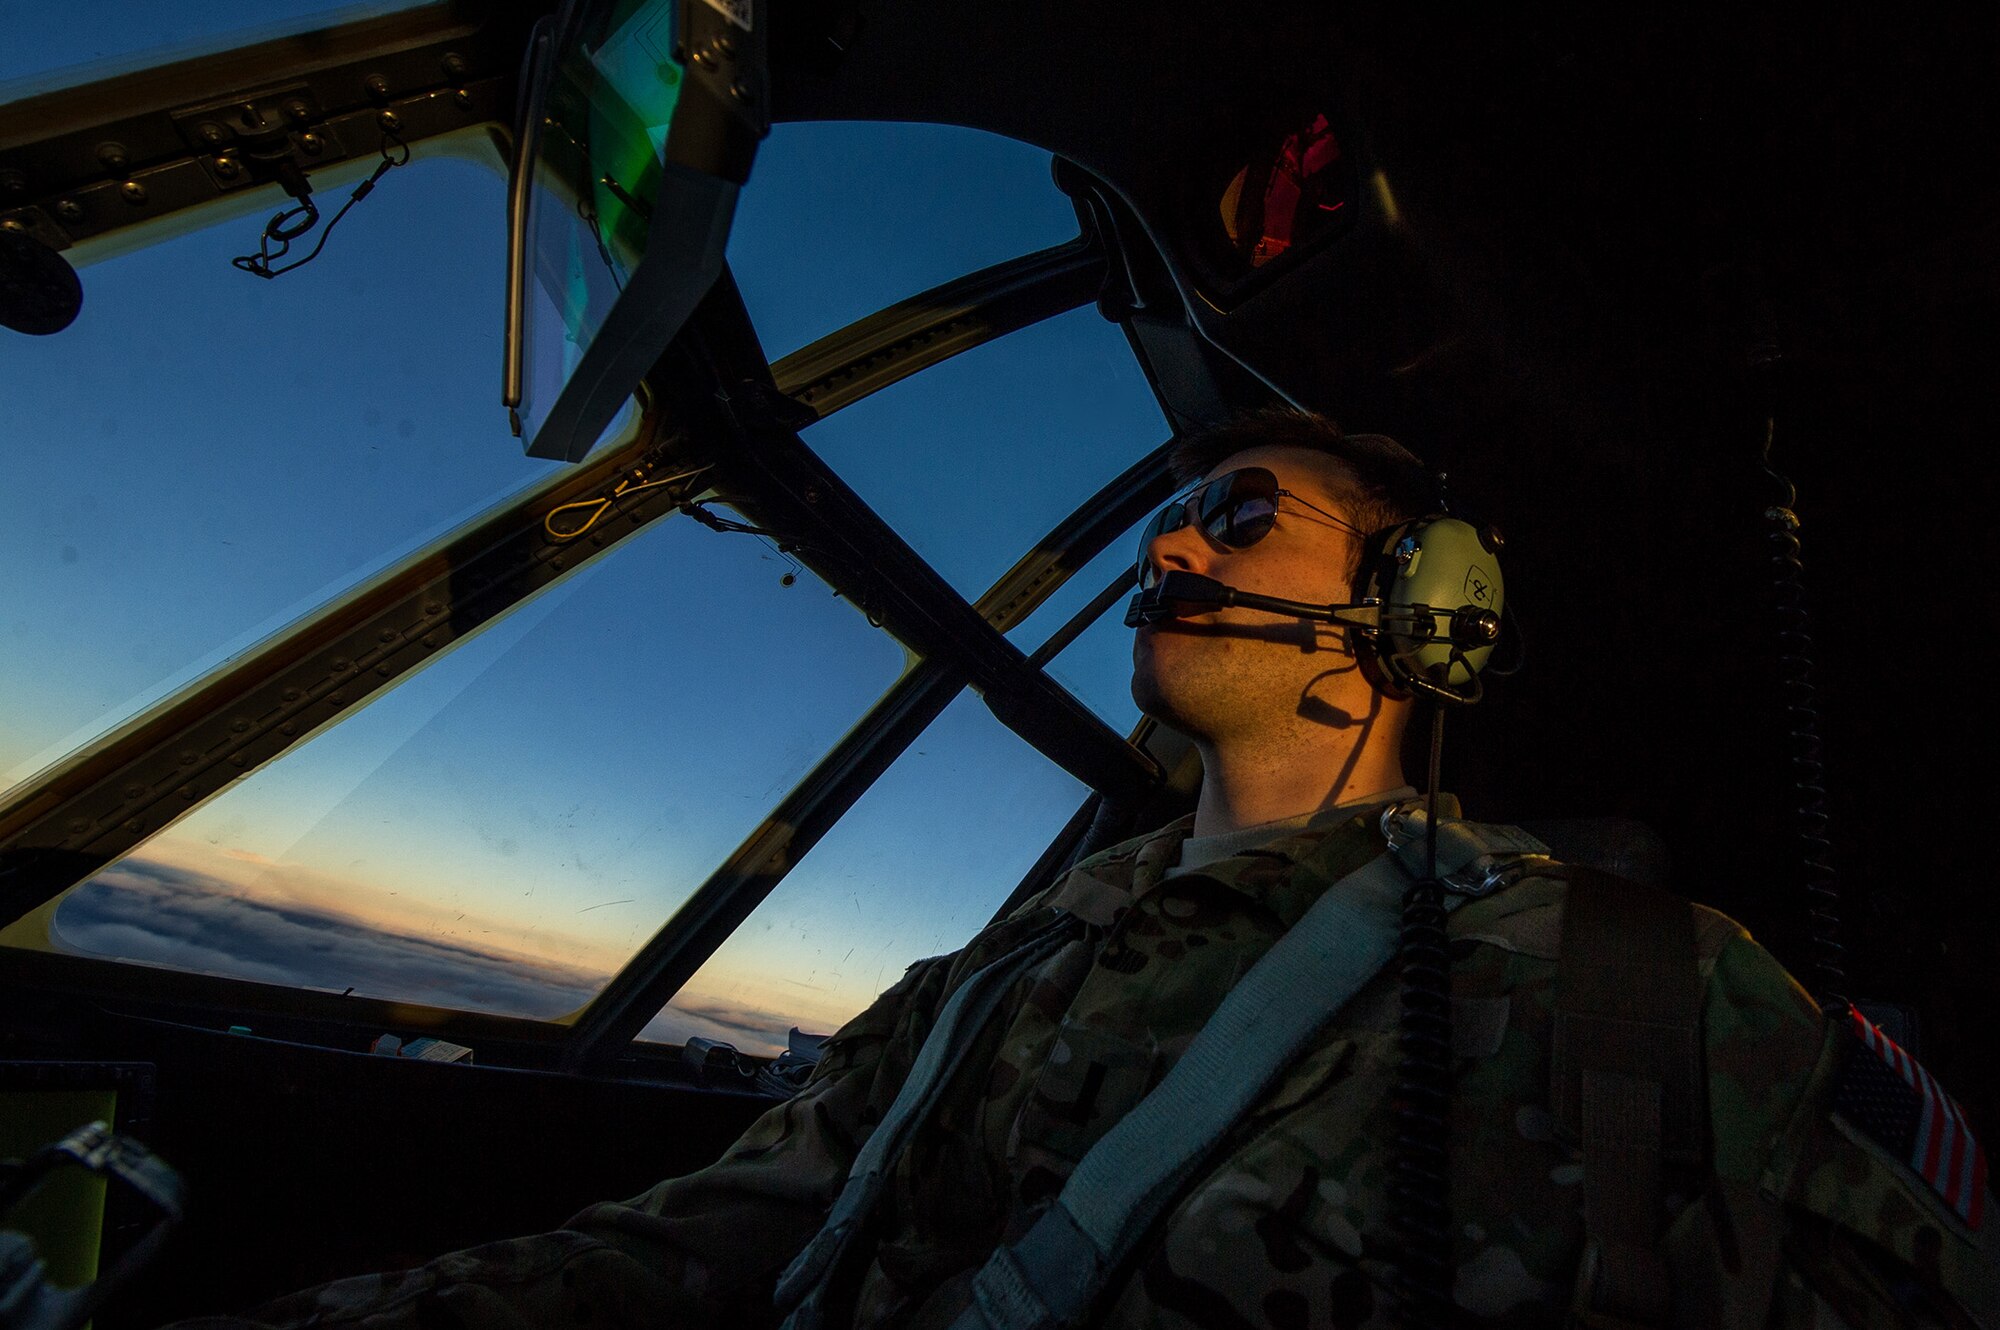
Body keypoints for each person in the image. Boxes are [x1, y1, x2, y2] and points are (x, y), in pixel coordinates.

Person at [176, 409, 1998, 1328]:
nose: (1171, 542)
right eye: (1174, 517)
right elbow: (724, 1226)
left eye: (1235, 512)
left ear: (1416, 613)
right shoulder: (1023, 948)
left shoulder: (1638, 981)